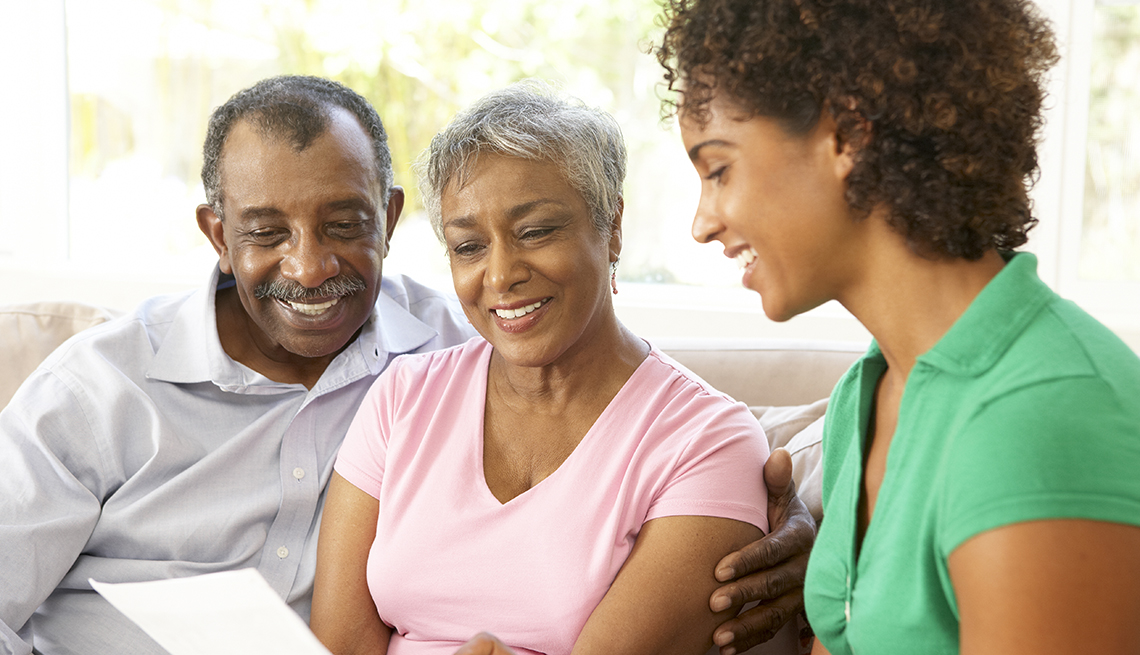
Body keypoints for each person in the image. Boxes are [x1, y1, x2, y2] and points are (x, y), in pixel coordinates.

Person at [655, 0, 1140, 653]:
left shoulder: (1040, 412)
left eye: (718, 170)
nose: (703, 222)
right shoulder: (871, 392)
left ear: (848, 134)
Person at [0, 75, 476, 655]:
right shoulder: (96, 387)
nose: (309, 267)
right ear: (219, 236)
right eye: (267, 233)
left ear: (390, 217)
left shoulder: (466, 357)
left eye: (344, 226)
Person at [310, 81, 774, 655]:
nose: (501, 275)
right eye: (468, 246)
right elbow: (338, 645)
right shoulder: (402, 399)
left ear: (613, 227)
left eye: (535, 232)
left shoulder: (706, 442)